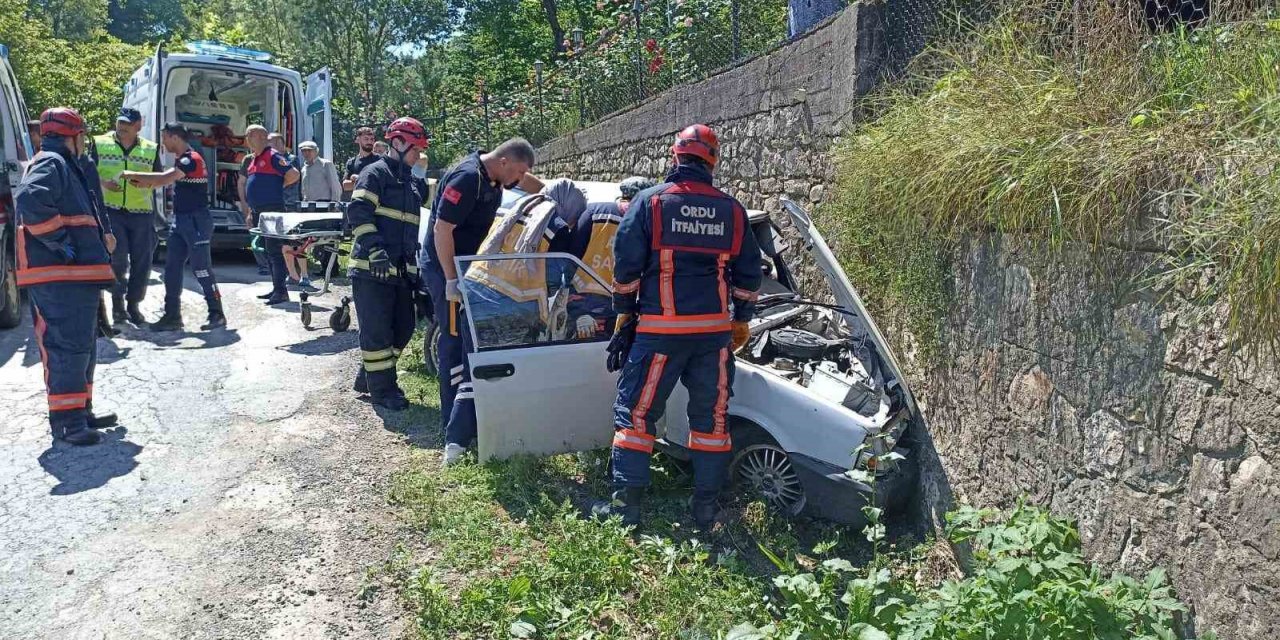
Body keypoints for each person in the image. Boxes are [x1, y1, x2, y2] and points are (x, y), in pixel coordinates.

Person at [591, 124, 763, 529]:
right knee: (712, 419)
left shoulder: (650, 203)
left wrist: (623, 311)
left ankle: (626, 509)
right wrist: (741, 320)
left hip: (660, 333)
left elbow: (626, 265)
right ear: (712, 161)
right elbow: (750, 275)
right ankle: (706, 509)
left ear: (675, 156)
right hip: (713, 337)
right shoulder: (733, 210)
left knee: (636, 415)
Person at [419, 138, 535, 466]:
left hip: (467, 267)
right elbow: (443, 231)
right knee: (454, 341)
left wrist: (550, 190)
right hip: (446, 266)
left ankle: (467, 420)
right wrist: (451, 281)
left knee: (467, 339)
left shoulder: (496, 174)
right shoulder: (467, 178)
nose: (520, 179)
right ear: (505, 161)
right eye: (520, 171)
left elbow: (531, 183)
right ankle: (452, 426)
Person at [15, 108, 120, 446]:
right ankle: (67, 422)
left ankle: (81, 411)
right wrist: (59, 241)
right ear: (73, 136)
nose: (84, 143)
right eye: (82, 136)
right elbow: (31, 200)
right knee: (66, 347)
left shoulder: (62, 164)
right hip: (59, 275)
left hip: (73, 276)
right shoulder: (52, 161)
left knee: (82, 347)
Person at [347, 117, 431, 410]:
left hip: (400, 270)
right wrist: (375, 250)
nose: (418, 156)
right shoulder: (375, 173)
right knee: (378, 331)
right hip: (372, 268)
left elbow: (435, 201)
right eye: (415, 149)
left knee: (404, 327)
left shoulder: (410, 181)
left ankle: (370, 377)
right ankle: (383, 391)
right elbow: (358, 212)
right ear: (397, 143)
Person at [121, 123, 227, 332]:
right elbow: (166, 181)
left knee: (202, 269)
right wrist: (145, 183)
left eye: (164, 138)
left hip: (196, 221)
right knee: (171, 269)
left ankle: (217, 313)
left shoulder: (191, 159)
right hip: (181, 221)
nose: (163, 143)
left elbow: (164, 178)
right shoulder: (183, 159)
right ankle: (172, 316)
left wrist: (132, 174)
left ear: (174, 137)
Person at [464, 178, 585, 349]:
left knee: (475, 366)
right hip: (512, 310)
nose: (572, 223)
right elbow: (553, 277)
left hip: (475, 295)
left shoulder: (515, 206)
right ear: (570, 206)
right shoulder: (557, 227)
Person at [92, 107, 160, 326]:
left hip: (141, 213)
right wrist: (103, 183)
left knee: (142, 262)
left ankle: (134, 305)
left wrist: (146, 181)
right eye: (120, 123)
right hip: (112, 212)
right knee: (118, 261)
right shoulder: (100, 143)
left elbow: (159, 178)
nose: (122, 128)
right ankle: (118, 306)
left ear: (138, 126)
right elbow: (86, 172)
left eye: (127, 125)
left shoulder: (151, 149)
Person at [569, 176, 656, 340]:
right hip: (624, 310)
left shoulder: (593, 212)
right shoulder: (647, 221)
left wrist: (577, 312)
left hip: (585, 305)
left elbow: (569, 260)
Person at [238, 124, 300, 305]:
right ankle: (276, 288)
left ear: (260, 137)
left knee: (274, 251)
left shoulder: (272, 156)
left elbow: (293, 174)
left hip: (272, 209)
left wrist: (278, 185)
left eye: (250, 135)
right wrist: (250, 211)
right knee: (267, 250)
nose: (247, 139)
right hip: (259, 210)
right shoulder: (253, 159)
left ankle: (281, 291)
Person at [341, 126, 379, 199]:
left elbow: (381, 183)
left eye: (372, 139)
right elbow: (346, 186)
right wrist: (368, 182)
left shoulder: (380, 160)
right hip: (358, 204)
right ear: (358, 140)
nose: (370, 142)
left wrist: (358, 178)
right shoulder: (351, 162)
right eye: (366, 139)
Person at [268, 132, 301, 211]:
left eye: (269, 141)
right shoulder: (273, 159)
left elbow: (290, 177)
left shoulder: (291, 159)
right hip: (276, 201)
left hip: (289, 202)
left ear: (278, 143)